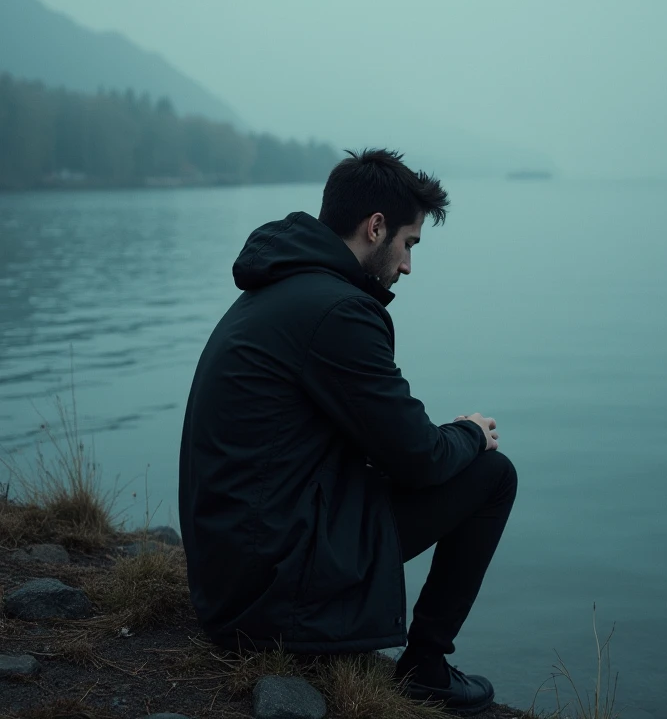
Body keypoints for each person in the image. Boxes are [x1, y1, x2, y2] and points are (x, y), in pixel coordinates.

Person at [178, 148, 517, 715]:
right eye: (409, 244)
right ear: (375, 227)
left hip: (232, 577)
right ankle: (426, 669)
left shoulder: (279, 288)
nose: (408, 265)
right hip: (268, 591)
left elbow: (377, 441)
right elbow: (419, 457)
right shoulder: (336, 311)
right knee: (490, 474)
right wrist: (469, 433)